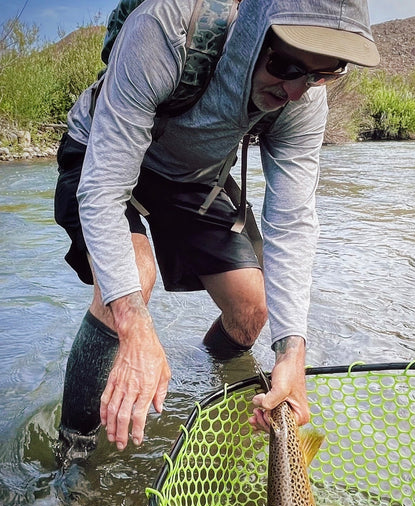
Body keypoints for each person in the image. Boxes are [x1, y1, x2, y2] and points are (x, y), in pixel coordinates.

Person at [54, 0, 380, 463]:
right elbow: (104, 188)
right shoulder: (164, 29)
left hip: (191, 176)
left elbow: (290, 222)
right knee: (132, 280)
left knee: (254, 309)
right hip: (101, 155)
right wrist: (134, 325)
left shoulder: (304, 99)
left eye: (322, 73)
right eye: (285, 65)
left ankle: (203, 389)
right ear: (251, 32)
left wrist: (292, 354)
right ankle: (71, 463)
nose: (295, 90)